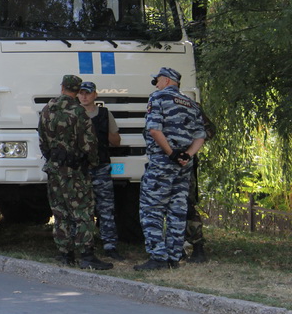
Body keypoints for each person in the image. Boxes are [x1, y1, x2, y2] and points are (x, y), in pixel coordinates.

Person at [134, 67, 206, 271]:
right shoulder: (191, 103)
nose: (156, 85)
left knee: (151, 209)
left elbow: (154, 129)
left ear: (166, 80)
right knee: (177, 210)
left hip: (162, 164)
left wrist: (171, 153)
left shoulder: (158, 98)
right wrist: (186, 155)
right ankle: (174, 257)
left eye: (157, 81)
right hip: (184, 166)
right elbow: (200, 135)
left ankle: (158, 257)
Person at [38, 75, 113, 270]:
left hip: (54, 169)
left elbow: (42, 141)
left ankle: (65, 254)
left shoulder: (47, 110)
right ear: (77, 90)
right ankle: (87, 256)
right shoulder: (78, 112)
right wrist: (92, 163)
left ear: (62, 87)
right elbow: (89, 144)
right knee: (82, 212)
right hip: (75, 171)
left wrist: (53, 158)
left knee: (60, 212)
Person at [77, 81, 123, 261]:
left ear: (95, 95)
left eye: (87, 93)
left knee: (106, 209)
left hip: (101, 166)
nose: (84, 96)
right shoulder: (74, 115)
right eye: (81, 93)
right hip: (81, 168)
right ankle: (85, 245)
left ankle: (110, 246)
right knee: (82, 210)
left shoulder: (104, 114)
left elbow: (116, 140)